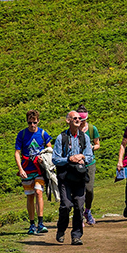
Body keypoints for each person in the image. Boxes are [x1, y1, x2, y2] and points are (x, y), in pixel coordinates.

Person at [51, 110, 93, 245]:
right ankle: (61, 230)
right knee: (66, 205)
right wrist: (69, 159)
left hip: (80, 176)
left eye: (79, 118)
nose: (78, 120)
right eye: (75, 118)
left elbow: (90, 156)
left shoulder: (84, 137)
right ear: (68, 120)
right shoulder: (61, 137)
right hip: (65, 177)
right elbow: (55, 159)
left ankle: (76, 236)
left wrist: (82, 157)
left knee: (79, 206)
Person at [15, 110, 52, 235]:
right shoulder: (22, 134)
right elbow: (17, 152)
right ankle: (32, 224)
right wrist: (20, 169)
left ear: (38, 121)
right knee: (30, 195)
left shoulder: (43, 133)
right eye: (30, 123)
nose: (32, 125)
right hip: (27, 169)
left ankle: (41, 222)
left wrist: (44, 158)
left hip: (39, 168)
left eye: (34, 122)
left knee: (38, 192)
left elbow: (49, 149)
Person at [76, 104, 100, 225]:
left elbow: (98, 144)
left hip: (90, 162)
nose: (81, 123)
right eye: (80, 120)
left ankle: (87, 210)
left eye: (84, 120)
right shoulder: (73, 130)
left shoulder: (92, 129)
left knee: (89, 189)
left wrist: (92, 147)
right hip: (76, 163)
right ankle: (79, 215)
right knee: (78, 190)